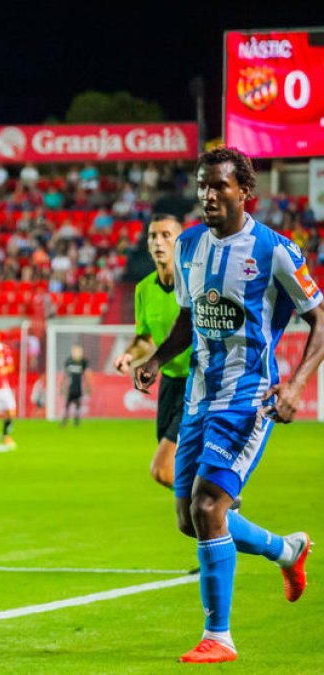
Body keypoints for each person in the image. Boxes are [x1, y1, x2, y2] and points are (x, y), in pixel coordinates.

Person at [133, 147, 323, 663]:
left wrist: (297, 385)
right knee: (189, 519)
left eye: (218, 186)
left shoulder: (275, 250)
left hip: (247, 399)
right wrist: (155, 359)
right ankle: (287, 550)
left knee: (209, 506)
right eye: (202, 186)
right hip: (197, 396)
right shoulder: (189, 245)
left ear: (244, 192)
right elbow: (188, 321)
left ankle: (220, 635)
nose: (208, 195)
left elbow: (320, 320)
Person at [112, 214, 190, 488]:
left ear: (179, 241)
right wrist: (130, 355)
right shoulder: (144, 288)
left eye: (166, 235)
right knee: (176, 474)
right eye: (153, 236)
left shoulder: (193, 283)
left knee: (163, 469)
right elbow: (144, 338)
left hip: (197, 384)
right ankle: (224, 511)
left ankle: (221, 509)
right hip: (168, 383)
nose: (158, 241)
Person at [59, 343, 90, 427]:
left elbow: (86, 374)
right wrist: (61, 385)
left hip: (79, 388)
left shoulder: (83, 362)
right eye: (75, 351)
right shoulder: (69, 361)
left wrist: (88, 386)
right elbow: (65, 374)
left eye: (79, 351)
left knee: (78, 405)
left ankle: (76, 422)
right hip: (70, 388)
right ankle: (64, 421)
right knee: (67, 405)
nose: (77, 353)